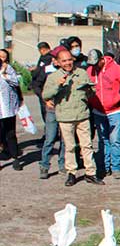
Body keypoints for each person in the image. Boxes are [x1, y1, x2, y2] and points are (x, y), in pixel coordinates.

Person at [42, 49, 104, 186]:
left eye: (69, 60)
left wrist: (89, 90)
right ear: (58, 62)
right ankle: (71, 173)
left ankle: (90, 173)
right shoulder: (53, 77)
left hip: (82, 115)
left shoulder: (81, 73)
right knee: (69, 146)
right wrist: (58, 85)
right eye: (64, 61)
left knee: (87, 145)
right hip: (65, 116)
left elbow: (91, 93)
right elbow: (45, 95)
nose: (68, 63)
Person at [87, 49, 120, 178]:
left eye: (95, 64)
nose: (94, 67)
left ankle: (116, 167)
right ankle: (105, 166)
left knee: (115, 140)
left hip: (115, 110)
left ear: (101, 59)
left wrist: (118, 97)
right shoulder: (90, 71)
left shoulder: (116, 69)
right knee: (103, 140)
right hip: (98, 111)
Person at [38, 46, 66, 179]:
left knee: (65, 140)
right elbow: (38, 87)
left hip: (66, 110)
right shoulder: (47, 71)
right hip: (52, 110)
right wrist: (45, 100)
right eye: (54, 58)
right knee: (50, 139)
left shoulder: (70, 72)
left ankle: (63, 164)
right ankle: (44, 165)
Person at [0, 49, 23, 170]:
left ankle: (15, 158)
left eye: (3, 57)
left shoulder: (8, 69)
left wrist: (5, 75)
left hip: (8, 108)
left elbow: (16, 82)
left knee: (11, 134)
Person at [31, 41, 53, 125]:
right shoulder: (44, 57)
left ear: (43, 49)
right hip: (40, 86)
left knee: (46, 112)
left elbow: (41, 71)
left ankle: (49, 133)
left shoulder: (48, 58)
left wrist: (35, 72)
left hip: (43, 86)